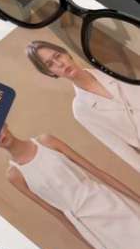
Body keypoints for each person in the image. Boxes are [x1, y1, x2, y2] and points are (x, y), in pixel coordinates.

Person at [0, 124, 140, 249]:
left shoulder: (46, 142)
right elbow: (58, 215)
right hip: (90, 225)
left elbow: (97, 172)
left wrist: (137, 199)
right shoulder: (14, 175)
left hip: (108, 202)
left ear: (4, 123)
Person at [26, 40, 140, 173]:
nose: (59, 64)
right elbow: (117, 146)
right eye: (50, 64)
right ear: (50, 72)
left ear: (66, 53)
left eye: (57, 56)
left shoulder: (113, 69)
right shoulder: (81, 109)